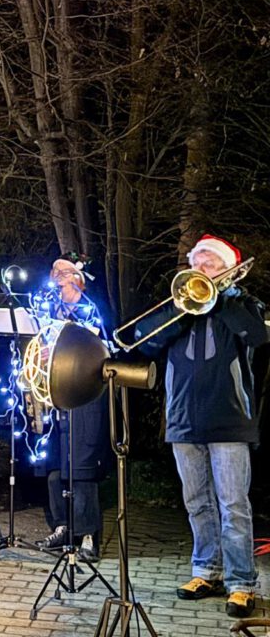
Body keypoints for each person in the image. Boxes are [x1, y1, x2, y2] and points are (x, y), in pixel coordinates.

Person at [135, 234, 264, 618]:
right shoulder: (179, 307)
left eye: (209, 264)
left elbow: (258, 336)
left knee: (233, 506)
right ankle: (207, 571)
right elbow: (144, 343)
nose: (200, 269)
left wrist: (219, 298)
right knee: (196, 503)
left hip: (229, 420)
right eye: (196, 263)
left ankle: (241, 583)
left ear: (226, 270)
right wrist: (182, 309)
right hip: (183, 419)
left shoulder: (241, 304)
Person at [34, 254, 112, 563]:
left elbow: (104, 349)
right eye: (53, 270)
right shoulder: (48, 310)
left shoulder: (92, 310)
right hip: (54, 394)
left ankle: (88, 534)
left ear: (78, 279)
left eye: (63, 271)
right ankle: (63, 526)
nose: (56, 275)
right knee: (55, 467)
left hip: (84, 394)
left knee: (81, 466)